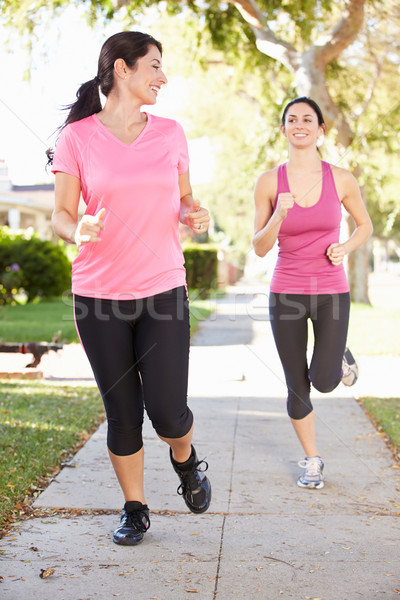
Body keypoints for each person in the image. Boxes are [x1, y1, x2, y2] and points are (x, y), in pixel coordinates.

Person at [49, 31, 212, 545]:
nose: (163, 77)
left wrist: (194, 212)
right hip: (98, 295)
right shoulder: (77, 138)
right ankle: (135, 508)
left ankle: (185, 461)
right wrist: (77, 229)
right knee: (122, 414)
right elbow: (61, 212)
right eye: (155, 66)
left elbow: (184, 199)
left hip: (163, 287)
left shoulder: (170, 134)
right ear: (122, 69)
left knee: (166, 412)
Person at [253, 97, 373, 490]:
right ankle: (312, 459)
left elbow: (364, 226)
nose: (300, 124)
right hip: (286, 292)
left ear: (320, 129)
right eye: (292, 119)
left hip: (330, 292)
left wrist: (346, 247)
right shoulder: (270, 182)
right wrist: (279, 215)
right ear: (283, 129)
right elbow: (258, 246)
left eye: (308, 119)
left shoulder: (340, 178)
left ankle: (337, 356)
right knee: (296, 383)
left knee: (323, 381)